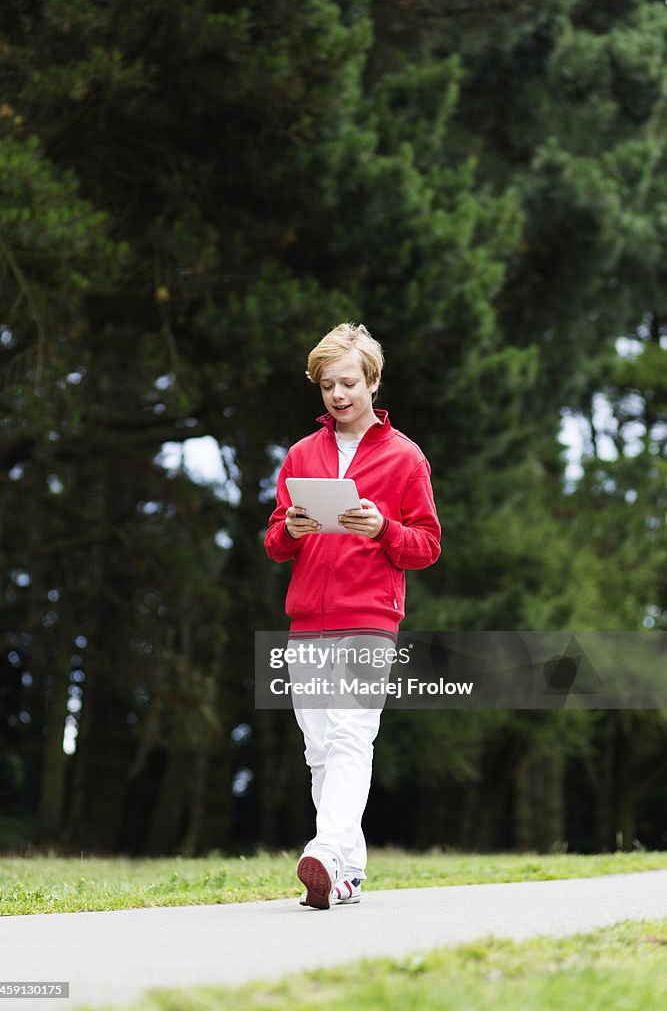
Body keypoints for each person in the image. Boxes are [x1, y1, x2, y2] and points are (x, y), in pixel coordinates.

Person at [264, 322, 441, 909]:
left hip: (369, 618)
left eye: (348, 384)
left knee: (351, 734)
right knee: (320, 748)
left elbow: (427, 544)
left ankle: (325, 848)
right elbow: (274, 542)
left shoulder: (405, 457)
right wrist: (289, 528)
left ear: (372, 383)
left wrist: (384, 529)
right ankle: (346, 872)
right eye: (326, 387)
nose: (338, 396)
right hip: (306, 621)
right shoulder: (300, 455)